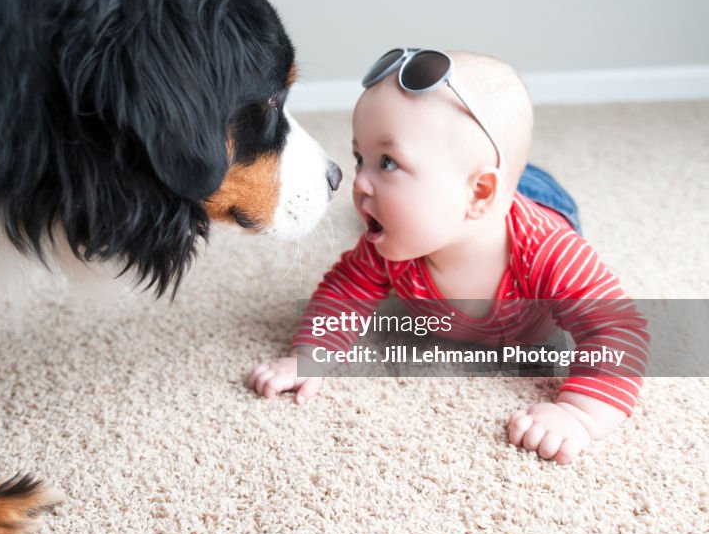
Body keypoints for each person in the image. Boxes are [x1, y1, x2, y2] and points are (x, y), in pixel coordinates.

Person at [248, 49, 647, 464]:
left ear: (478, 194)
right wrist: (309, 356)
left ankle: (511, 175)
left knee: (519, 178)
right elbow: (344, 291)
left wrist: (579, 414)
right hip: (464, 196)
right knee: (425, 197)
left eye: (387, 161)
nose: (359, 181)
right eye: (359, 158)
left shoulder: (549, 251)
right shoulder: (387, 249)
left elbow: (618, 330)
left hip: (539, 197)